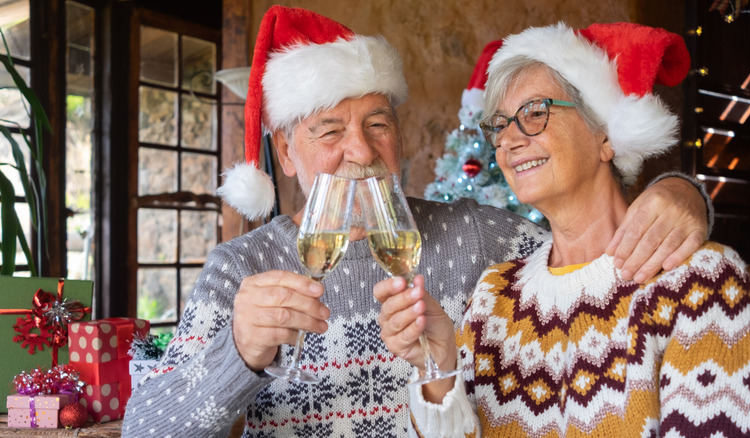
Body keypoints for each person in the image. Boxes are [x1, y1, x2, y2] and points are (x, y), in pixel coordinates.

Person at [122, 8, 712, 437]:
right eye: (330, 130)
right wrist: (239, 356)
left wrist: (682, 194)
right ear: (285, 152)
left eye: (378, 123)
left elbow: (599, 252)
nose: (361, 150)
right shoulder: (241, 268)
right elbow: (144, 430)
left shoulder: (477, 235)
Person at [374, 22, 750, 437]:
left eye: (534, 113)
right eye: (498, 124)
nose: (508, 141)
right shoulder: (493, 297)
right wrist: (439, 368)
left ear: (606, 135)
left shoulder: (699, 282)